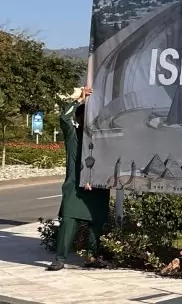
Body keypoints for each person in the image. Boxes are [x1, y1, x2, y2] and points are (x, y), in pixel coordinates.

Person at [47, 85, 111, 271]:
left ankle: (91, 256)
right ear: (79, 119)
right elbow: (63, 118)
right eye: (84, 116)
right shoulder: (73, 136)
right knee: (68, 221)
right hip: (75, 187)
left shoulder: (103, 139)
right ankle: (60, 258)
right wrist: (80, 99)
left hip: (97, 186)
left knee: (96, 221)